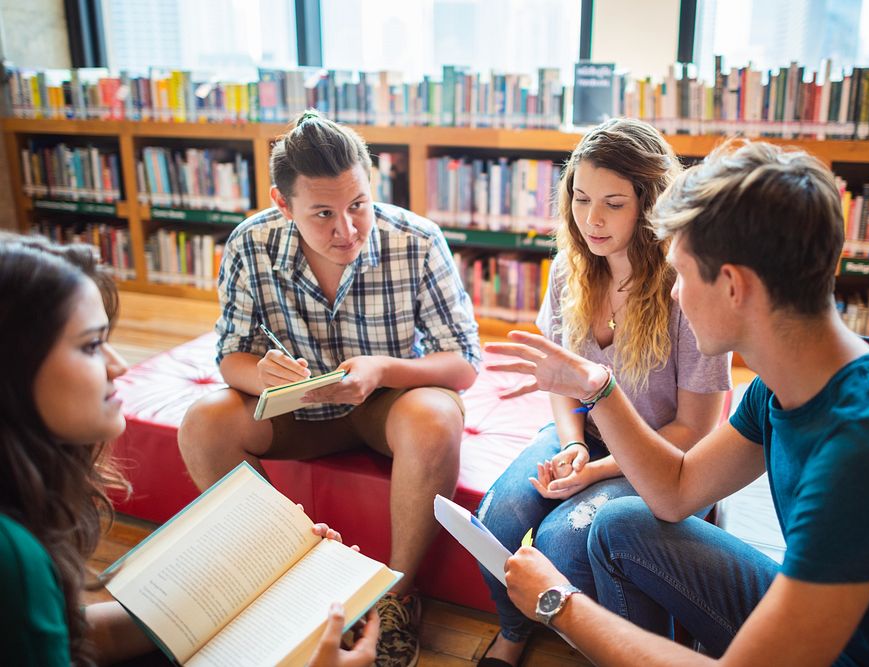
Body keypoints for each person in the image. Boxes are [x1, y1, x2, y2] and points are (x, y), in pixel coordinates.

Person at [487, 140, 869, 666]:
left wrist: (558, 604)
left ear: (733, 286)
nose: (674, 294)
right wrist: (598, 386)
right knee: (622, 524)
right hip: (843, 624)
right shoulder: (784, 385)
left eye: (681, 274)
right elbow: (676, 492)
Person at [178, 110, 481, 667]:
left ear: (372, 183)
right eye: (322, 213)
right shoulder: (250, 244)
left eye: (358, 204)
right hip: (295, 412)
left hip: (385, 405)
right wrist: (258, 375)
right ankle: (278, 578)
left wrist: (383, 370)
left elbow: (462, 363)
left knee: (437, 417)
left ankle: (396, 595)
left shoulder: (416, 240)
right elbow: (229, 355)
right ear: (281, 202)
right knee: (203, 423)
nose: (347, 230)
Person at [0, 233, 379, 667]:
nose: (118, 365)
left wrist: (247, 589)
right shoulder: (12, 557)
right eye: (89, 345)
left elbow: (74, 635)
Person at [474, 118, 731, 666]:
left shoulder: (686, 286)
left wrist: (597, 468)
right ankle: (514, 631)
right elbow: (561, 383)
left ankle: (603, 644)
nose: (591, 219)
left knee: (565, 539)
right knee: (496, 517)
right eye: (581, 198)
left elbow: (695, 431)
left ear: (649, 205)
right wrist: (573, 445)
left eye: (613, 204)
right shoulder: (571, 271)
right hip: (584, 434)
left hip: (659, 451)